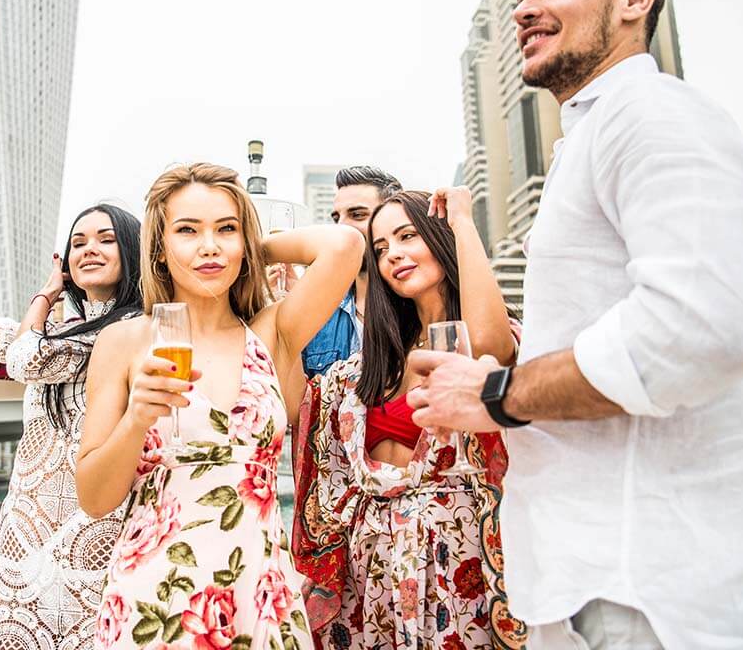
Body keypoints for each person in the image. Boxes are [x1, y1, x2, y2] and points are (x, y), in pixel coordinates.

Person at [405, 0, 743, 650]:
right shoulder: (590, 138)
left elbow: (702, 327)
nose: (525, 7)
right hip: (594, 581)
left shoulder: (652, 114)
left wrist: (494, 394)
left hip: (642, 592)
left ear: (633, 0)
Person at [75, 162, 363, 650]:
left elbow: (345, 245)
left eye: (225, 229)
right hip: (156, 601)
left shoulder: (273, 333)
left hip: (261, 596)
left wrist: (249, 246)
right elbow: (94, 498)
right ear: (160, 250)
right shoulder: (123, 342)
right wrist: (137, 419)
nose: (210, 245)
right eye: (187, 231)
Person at [0, 148, 145, 650]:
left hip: (99, 533)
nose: (90, 248)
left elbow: (23, 358)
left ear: (135, 253)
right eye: (78, 242)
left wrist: (44, 293)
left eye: (107, 239)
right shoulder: (57, 332)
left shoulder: (130, 331)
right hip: (26, 533)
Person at [296, 186, 523, 649]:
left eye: (407, 237)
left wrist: (461, 219)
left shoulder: (481, 339)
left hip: (457, 564)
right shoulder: (375, 361)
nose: (393, 255)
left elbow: (491, 352)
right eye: (381, 249)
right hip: (371, 579)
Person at [301, 166, 402, 378]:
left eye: (357, 215)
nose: (342, 227)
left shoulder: (417, 305)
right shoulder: (315, 312)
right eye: (337, 218)